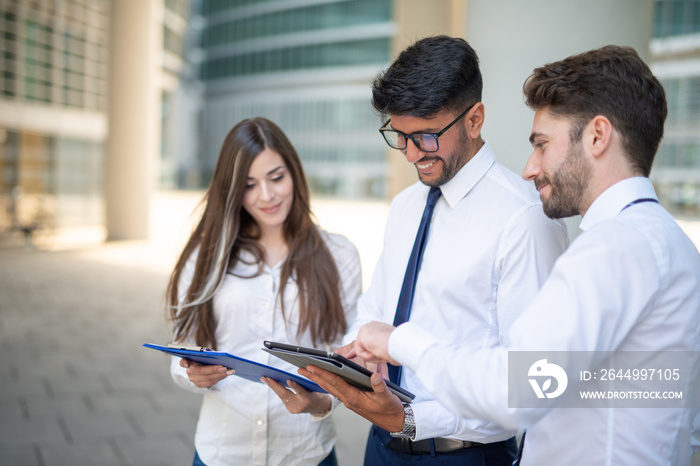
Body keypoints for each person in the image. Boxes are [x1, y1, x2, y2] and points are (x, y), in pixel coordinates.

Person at [351, 45, 700, 465]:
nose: (530, 168)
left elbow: (519, 389)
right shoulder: (673, 244)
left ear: (597, 136)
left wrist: (399, 342)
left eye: (542, 144)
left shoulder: (611, 251)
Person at [301, 36, 569, 465]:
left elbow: (533, 381)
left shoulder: (525, 220)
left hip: (463, 454)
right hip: (380, 448)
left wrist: (412, 420)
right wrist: (344, 372)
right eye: (399, 135)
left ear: (475, 119)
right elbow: (376, 310)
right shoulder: (405, 206)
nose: (410, 154)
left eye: (425, 136)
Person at [165, 117, 362, 466]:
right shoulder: (206, 258)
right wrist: (192, 373)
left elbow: (350, 355)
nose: (267, 196)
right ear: (231, 190)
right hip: (222, 454)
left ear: (294, 174)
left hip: (306, 453)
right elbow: (182, 352)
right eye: (249, 184)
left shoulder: (339, 254)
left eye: (276, 178)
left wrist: (323, 402)